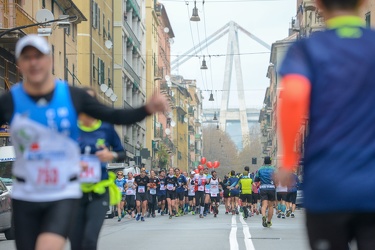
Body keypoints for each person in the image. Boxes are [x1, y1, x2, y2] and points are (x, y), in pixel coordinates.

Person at [0, 35, 168, 250]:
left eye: (39, 56)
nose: (34, 62)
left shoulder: (72, 96)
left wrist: (147, 109)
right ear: (19, 64)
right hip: (26, 193)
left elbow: (114, 116)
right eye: (27, 57)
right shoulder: (10, 101)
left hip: (62, 192)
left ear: (49, 60)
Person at [278, 0, 375, 248]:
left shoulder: (307, 49)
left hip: (328, 185)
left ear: (317, 4)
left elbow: (293, 97)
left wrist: (288, 161)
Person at [69, 87, 127, 249]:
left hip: (99, 190)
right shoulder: (69, 126)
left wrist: (112, 155)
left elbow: (121, 153)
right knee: (76, 241)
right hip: (74, 191)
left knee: (89, 239)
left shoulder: (106, 127)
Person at [255, 157, 276, 228]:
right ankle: (269, 221)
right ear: (270, 162)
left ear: (264, 161)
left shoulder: (260, 169)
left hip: (263, 188)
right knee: (270, 206)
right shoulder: (274, 169)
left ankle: (263, 216)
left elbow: (256, 179)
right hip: (271, 188)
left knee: (264, 205)